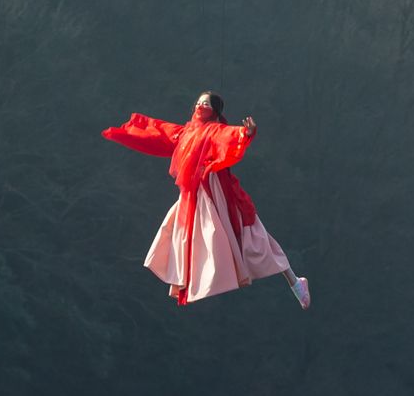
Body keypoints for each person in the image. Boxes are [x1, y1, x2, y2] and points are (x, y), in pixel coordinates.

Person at [103, 92, 310, 309]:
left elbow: (227, 136)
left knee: (253, 237)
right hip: (194, 194)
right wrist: (128, 131)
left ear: (215, 111)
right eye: (200, 102)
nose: (201, 105)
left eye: (207, 103)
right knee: (180, 234)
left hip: (217, 191)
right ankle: (186, 282)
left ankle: (295, 282)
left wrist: (245, 133)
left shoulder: (214, 130)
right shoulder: (185, 133)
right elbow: (159, 131)